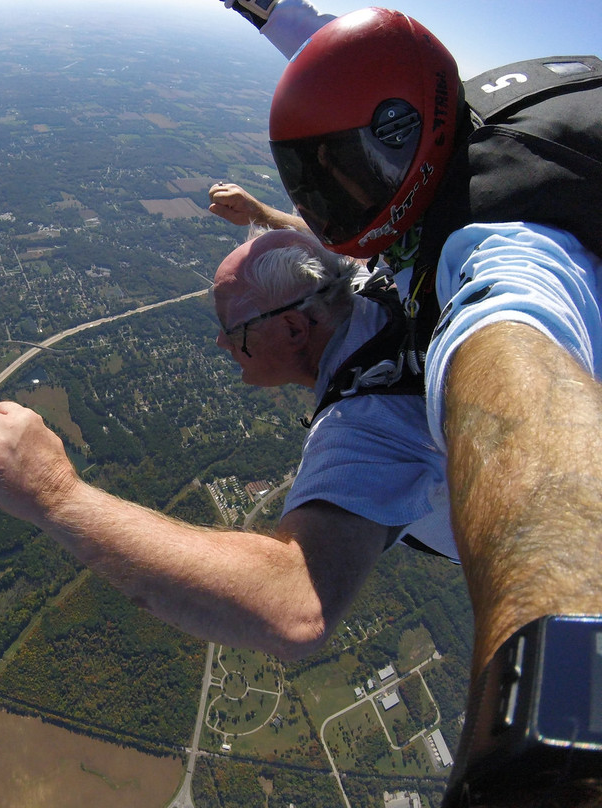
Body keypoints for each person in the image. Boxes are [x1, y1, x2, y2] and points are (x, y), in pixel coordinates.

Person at [218, 5, 602, 803]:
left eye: (340, 184)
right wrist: (266, 12)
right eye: (314, 187)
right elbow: (350, 61)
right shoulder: (448, 115)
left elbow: (518, 394)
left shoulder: (494, 248)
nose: (326, 217)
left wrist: (551, 735)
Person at [0, 226, 451, 660]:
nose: (222, 344)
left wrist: (53, 493)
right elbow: (320, 256)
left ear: (295, 327)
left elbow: (298, 610)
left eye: (233, 331)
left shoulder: (370, 420)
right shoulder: (371, 283)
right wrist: (264, 215)